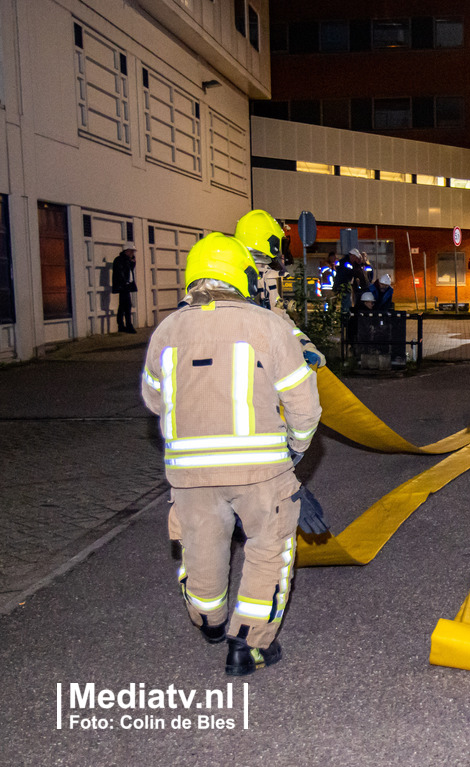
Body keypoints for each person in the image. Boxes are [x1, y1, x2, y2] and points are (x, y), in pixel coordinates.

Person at [140, 232, 324, 676]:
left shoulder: (167, 330)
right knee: (268, 550)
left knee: (201, 546)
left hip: (190, 475)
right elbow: (305, 407)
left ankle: (209, 621)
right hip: (261, 471)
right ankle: (248, 646)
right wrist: (295, 451)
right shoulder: (267, 325)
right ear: (243, 276)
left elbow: (151, 398)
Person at [234, 209, 325, 368]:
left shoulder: (264, 277)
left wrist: (304, 345)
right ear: (270, 243)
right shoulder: (252, 277)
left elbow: (281, 319)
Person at [111, 247, 137, 333]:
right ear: (127, 251)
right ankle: (128, 325)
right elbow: (121, 272)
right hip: (123, 286)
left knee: (122, 306)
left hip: (126, 286)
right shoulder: (120, 260)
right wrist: (125, 282)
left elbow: (130, 270)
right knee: (127, 305)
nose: (132, 253)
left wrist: (133, 262)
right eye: (131, 251)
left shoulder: (127, 260)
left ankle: (122, 325)